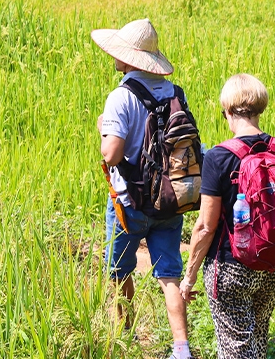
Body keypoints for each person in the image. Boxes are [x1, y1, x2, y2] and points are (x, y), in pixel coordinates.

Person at [180, 74, 275, 359]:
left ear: (227, 111)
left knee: (236, 350)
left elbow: (204, 226)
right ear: (259, 109)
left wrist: (188, 278)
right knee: (257, 342)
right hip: (272, 263)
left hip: (230, 269)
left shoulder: (218, 157)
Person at [92, 18, 193, 359]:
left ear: (128, 59)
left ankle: (127, 337)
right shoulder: (176, 92)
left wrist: (104, 129)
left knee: (119, 272)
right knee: (169, 276)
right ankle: (182, 347)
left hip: (129, 202)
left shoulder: (121, 96)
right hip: (169, 199)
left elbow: (112, 154)